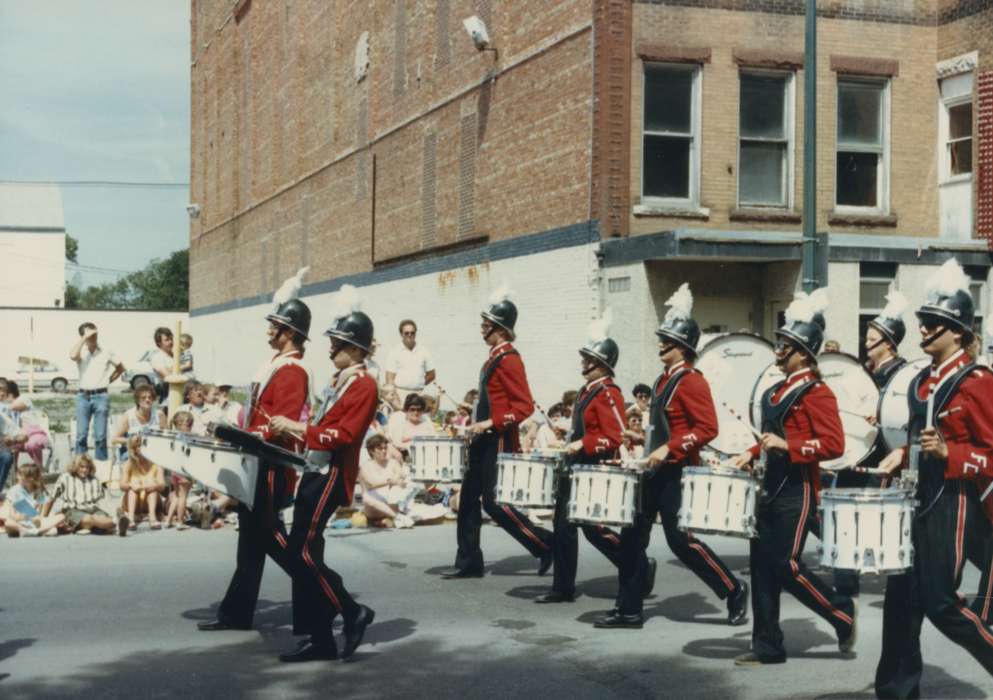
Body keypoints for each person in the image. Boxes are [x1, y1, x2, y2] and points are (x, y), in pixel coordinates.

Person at [874, 259, 993, 697]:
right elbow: (916, 439)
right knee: (900, 603)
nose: (922, 330)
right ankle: (897, 692)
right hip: (916, 499)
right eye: (923, 322)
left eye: (934, 325)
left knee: (941, 603)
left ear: (958, 332)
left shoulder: (977, 381)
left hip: (954, 501)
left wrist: (952, 453)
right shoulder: (921, 381)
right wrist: (901, 456)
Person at [603, 284, 747, 629]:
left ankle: (733, 589)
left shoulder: (691, 381)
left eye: (667, 340)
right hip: (654, 470)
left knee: (680, 541)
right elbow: (665, 427)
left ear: (682, 346)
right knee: (632, 537)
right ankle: (629, 609)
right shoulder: (662, 379)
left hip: (678, 472)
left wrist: (671, 448)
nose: (660, 344)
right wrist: (643, 438)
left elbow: (707, 427)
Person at [732, 287, 856, 666]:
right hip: (768, 488)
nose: (779, 348)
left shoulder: (818, 393)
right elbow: (770, 439)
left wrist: (790, 446)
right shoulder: (773, 391)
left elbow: (834, 445)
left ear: (803, 351)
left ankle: (840, 612)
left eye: (786, 343)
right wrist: (749, 453)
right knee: (761, 570)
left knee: (785, 565)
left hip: (798, 491)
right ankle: (767, 647)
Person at [267, 284, 379, 662]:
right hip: (315, 471)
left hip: (332, 475)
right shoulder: (340, 380)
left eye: (340, 343)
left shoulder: (364, 384)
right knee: (305, 553)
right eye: (332, 340)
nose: (330, 346)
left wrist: (296, 429)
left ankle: (351, 610)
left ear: (359, 349)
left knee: (301, 554)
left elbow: (343, 435)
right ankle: (321, 638)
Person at [198, 287, 313, 634]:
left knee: (268, 538)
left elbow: (282, 425)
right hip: (257, 464)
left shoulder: (293, 370)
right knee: (249, 541)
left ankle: (328, 593)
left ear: (289, 332)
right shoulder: (276, 366)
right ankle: (236, 613)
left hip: (271, 469)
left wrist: (244, 435)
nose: (269, 330)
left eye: (274, 325)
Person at [440, 286, 554, 579]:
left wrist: (489, 423)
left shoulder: (509, 358)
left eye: (486, 324)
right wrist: (474, 413)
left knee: (494, 503)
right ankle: (469, 562)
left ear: (500, 329)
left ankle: (546, 543)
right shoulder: (494, 356)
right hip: (483, 438)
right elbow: (495, 400)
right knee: (467, 500)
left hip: (499, 439)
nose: (482, 328)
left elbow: (524, 405)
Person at [536, 313, 629, 604]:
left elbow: (615, 437)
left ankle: (636, 563)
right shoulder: (588, 389)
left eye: (589, 359)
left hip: (592, 467)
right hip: (576, 467)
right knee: (563, 527)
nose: (583, 363)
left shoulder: (608, 392)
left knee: (592, 530)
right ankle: (562, 588)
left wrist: (582, 443)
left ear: (602, 363)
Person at [833, 290, 909, 597]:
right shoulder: (865, 371)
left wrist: (880, 415)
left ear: (888, 343)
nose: (867, 341)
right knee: (842, 506)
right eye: (867, 335)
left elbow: (902, 415)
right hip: (856, 450)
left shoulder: (901, 373)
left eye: (873, 337)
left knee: (866, 513)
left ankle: (855, 574)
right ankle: (845, 579)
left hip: (881, 454)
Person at [70, 322, 125, 461]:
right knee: (81, 435)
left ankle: (101, 468)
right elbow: (72, 356)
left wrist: (107, 381)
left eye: (95, 333)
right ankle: (80, 467)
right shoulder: (81, 352)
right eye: (90, 334)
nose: (93, 336)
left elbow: (120, 368)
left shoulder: (106, 351)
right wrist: (84, 339)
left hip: (101, 396)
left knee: (100, 436)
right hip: (83, 396)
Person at [44, 454, 115, 534]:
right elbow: (52, 497)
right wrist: (43, 518)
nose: (85, 470)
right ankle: (108, 525)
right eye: (82, 467)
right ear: (76, 467)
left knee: (102, 517)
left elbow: (102, 500)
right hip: (73, 510)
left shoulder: (94, 480)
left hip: (92, 509)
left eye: (87, 467)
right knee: (88, 519)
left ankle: (94, 526)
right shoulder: (65, 477)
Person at [119, 433, 166, 533]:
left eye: (142, 445)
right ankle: (130, 519)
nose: (141, 448)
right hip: (133, 501)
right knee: (132, 488)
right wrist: (131, 485)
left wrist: (154, 485)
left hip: (150, 500)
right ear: (134, 449)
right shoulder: (128, 464)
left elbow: (162, 485)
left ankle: (152, 517)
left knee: (152, 487)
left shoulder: (156, 463)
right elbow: (122, 485)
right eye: (138, 446)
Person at [3, 463, 64, 537]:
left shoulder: (39, 491)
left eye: (21, 475)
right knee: (8, 523)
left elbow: (42, 515)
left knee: (61, 517)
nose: (18, 477)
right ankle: (27, 530)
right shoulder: (15, 490)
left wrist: (38, 518)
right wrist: (23, 517)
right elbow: (12, 515)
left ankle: (32, 531)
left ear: (31, 478)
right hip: (20, 522)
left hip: (35, 522)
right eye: (18, 475)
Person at [110, 384, 167, 463]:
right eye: (143, 398)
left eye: (150, 397)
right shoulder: (129, 416)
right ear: (137, 400)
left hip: (154, 453)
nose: (147, 400)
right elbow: (114, 439)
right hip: (133, 453)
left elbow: (167, 437)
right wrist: (130, 440)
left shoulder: (159, 415)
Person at [384, 319, 435, 402]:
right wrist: (396, 397)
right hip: (400, 394)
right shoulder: (394, 352)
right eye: (406, 333)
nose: (410, 335)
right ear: (401, 334)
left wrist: (419, 383)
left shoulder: (424, 351)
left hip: (419, 394)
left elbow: (432, 375)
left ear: (415, 333)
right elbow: (389, 378)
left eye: (412, 332)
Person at [164, 411, 195, 529]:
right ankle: (180, 522)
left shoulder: (174, 436)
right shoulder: (189, 437)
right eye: (190, 424)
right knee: (183, 497)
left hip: (174, 471)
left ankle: (168, 520)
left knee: (176, 496)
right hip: (185, 471)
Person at [384, 393, 437, 460]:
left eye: (419, 410)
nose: (416, 412)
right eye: (412, 409)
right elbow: (396, 444)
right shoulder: (400, 426)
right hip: (407, 458)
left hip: (427, 457)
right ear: (406, 410)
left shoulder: (427, 425)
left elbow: (434, 441)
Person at [150, 327, 175, 403]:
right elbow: (168, 376)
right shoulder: (157, 357)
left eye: (171, 339)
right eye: (167, 340)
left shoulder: (175, 356)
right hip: (166, 394)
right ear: (159, 343)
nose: (170, 342)